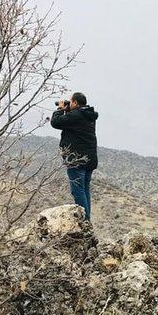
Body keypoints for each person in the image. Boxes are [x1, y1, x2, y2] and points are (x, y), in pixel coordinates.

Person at [50, 92, 99, 221]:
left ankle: (84, 221)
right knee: (84, 190)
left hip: (76, 160)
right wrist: (67, 111)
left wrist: (60, 109)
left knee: (77, 190)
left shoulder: (77, 115)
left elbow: (56, 122)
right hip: (89, 159)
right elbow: (72, 124)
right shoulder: (88, 115)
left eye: (70, 102)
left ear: (75, 103)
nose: (68, 103)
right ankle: (87, 220)